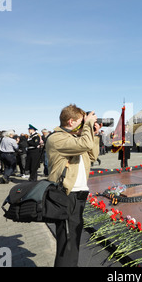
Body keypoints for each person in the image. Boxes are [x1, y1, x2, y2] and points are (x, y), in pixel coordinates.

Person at [46, 104, 100, 267]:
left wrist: (94, 135)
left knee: (73, 240)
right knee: (67, 243)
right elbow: (84, 145)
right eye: (81, 122)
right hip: (66, 196)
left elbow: (92, 155)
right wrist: (89, 124)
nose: (84, 125)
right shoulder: (57, 138)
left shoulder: (75, 139)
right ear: (71, 122)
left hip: (78, 196)